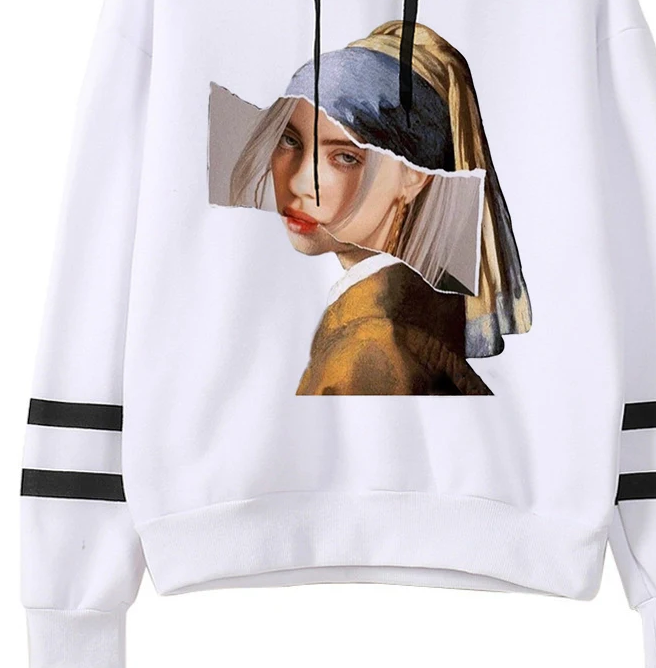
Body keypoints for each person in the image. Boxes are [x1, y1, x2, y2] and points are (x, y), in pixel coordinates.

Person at [222, 20, 532, 394]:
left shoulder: (371, 349)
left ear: (413, 177)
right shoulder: (403, 323)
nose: (299, 183)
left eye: (344, 157)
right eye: (290, 140)